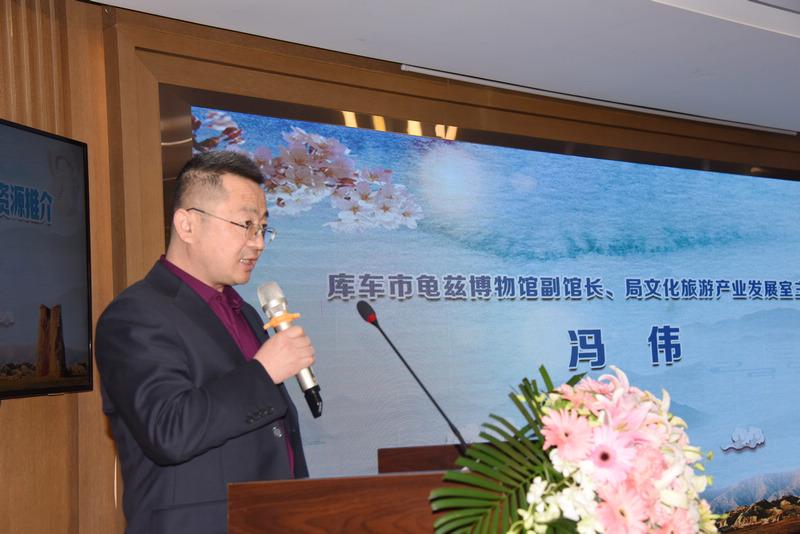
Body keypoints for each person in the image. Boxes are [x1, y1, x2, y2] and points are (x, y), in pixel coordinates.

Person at [95, 151, 315, 534]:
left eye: (263, 227)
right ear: (187, 225)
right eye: (245, 224)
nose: (258, 243)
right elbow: (168, 430)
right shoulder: (134, 315)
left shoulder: (245, 312)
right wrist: (264, 373)